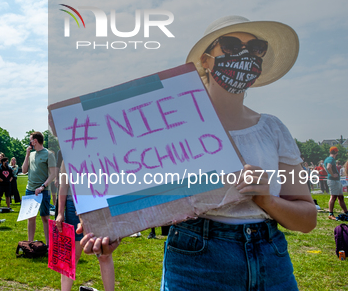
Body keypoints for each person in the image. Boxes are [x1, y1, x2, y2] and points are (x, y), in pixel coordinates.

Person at [81, 16, 317, 290]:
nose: (244, 55)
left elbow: (308, 218)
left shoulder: (272, 129)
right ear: (205, 61)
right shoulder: (171, 124)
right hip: (195, 260)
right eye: (230, 46)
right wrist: (111, 228)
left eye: (255, 48)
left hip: (271, 261)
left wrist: (268, 200)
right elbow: (140, 192)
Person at [56, 160, 115, 291]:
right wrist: (60, 213)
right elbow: (63, 186)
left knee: (104, 253)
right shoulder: (68, 155)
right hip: (73, 207)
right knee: (70, 256)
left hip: (99, 205)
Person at [22, 131, 57, 246]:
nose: (29, 142)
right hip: (30, 189)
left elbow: (53, 174)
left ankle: (48, 245)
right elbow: (24, 170)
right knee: (30, 217)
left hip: (43, 191)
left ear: (35, 141)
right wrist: (27, 155)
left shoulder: (49, 154)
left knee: (45, 218)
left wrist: (43, 186)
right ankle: (30, 243)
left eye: (30, 140)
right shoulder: (31, 154)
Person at [325, 146, 347, 219]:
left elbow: (326, 167)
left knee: (341, 197)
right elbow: (328, 167)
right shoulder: (331, 159)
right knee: (333, 197)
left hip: (336, 181)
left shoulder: (328, 159)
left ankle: (346, 211)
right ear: (336, 152)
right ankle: (330, 213)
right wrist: (332, 175)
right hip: (333, 181)